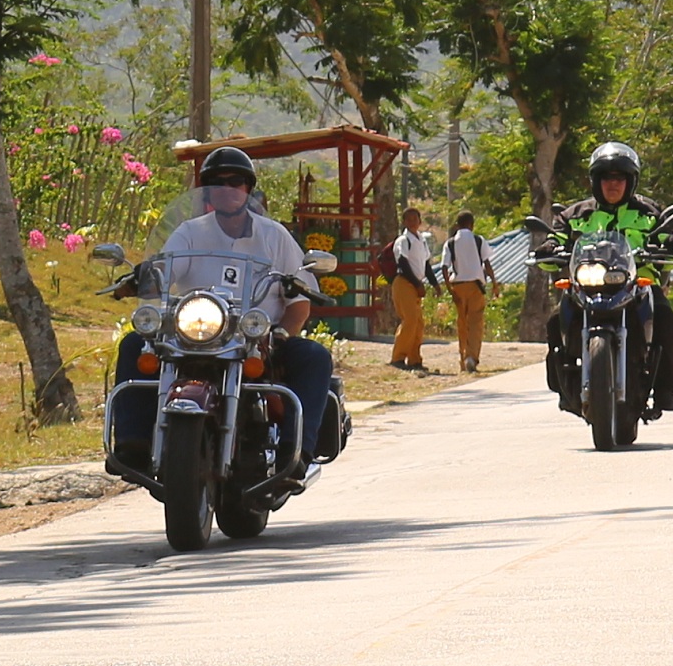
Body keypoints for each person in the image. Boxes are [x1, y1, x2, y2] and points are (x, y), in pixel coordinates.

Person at [109, 146, 334, 469]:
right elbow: (165, 270)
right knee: (134, 344)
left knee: (314, 356)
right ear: (207, 191)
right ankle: (132, 443)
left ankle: (296, 452)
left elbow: (299, 303)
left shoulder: (274, 236)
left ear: (248, 188)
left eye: (235, 182)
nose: (227, 189)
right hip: (194, 334)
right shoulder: (190, 232)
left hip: (258, 338)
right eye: (218, 182)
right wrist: (144, 276)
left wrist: (282, 335)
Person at [546, 142, 673, 415]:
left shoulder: (649, 212)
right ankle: (563, 386)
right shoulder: (575, 214)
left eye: (620, 178)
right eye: (606, 178)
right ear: (595, 181)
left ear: (631, 181)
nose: (613, 184)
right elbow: (557, 236)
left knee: (665, 317)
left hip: (637, 282)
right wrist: (550, 247)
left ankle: (665, 388)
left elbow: (667, 235)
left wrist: (671, 242)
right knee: (554, 321)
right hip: (587, 283)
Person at [441, 210, 500, 373]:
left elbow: (444, 268)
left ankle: (463, 358)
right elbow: (487, 264)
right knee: (475, 322)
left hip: (458, 286)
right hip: (475, 286)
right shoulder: (478, 240)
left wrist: (449, 289)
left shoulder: (450, 243)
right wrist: (494, 283)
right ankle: (471, 357)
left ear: (457, 225)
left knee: (462, 323)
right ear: (472, 225)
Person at [388, 207, 438, 370]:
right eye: (408, 220)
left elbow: (426, 265)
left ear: (420, 221)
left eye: (415, 219)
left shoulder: (421, 240)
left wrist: (435, 284)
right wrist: (417, 284)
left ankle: (414, 359)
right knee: (410, 320)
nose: (412, 222)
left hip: (416, 284)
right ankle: (398, 357)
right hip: (404, 283)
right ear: (404, 222)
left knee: (418, 323)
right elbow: (403, 263)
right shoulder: (403, 240)